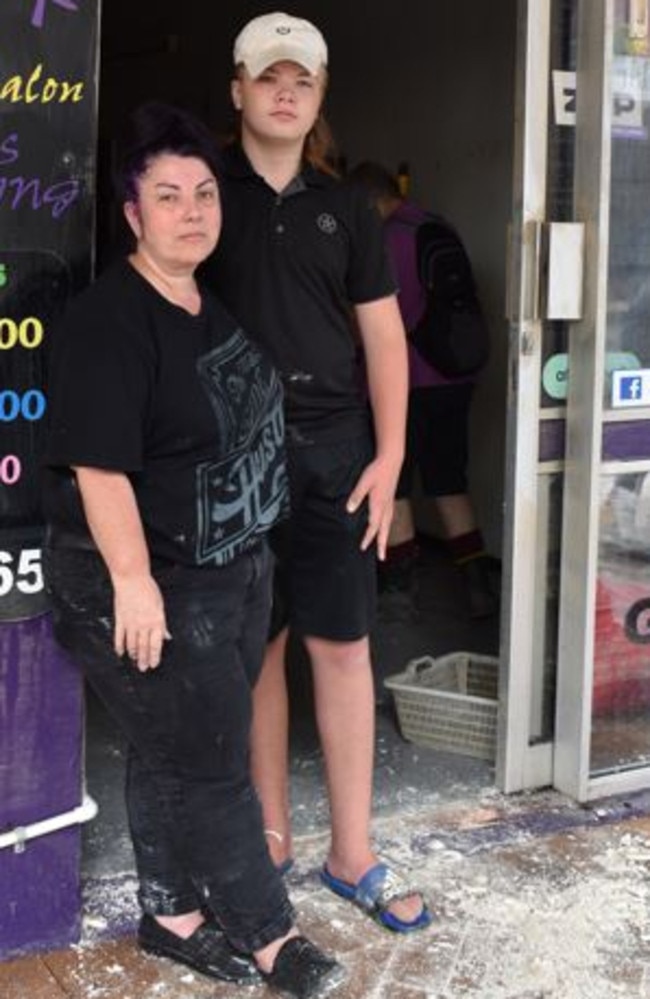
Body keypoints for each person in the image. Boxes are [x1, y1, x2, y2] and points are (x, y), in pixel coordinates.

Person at [41, 101, 345, 999]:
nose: (192, 210)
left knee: (169, 747)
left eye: (204, 192)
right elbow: (98, 468)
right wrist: (134, 586)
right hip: (146, 580)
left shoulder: (206, 303)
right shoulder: (111, 321)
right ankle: (270, 937)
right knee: (213, 762)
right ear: (132, 215)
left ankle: (171, 913)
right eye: (167, 195)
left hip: (228, 577)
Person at [202, 12, 431, 933]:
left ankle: (353, 852)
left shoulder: (344, 209)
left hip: (335, 452)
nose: (285, 92)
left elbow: (383, 334)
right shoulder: (203, 197)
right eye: (268, 78)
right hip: (229, 453)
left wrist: (391, 456)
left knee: (341, 646)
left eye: (302, 80)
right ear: (239, 90)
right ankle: (268, 838)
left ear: (319, 97)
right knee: (255, 646)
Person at [347, 161, 500, 620]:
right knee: (448, 477)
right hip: (455, 377)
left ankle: (398, 589)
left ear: (369, 202)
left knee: (394, 482)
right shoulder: (435, 226)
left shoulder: (390, 238)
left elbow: (381, 322)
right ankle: (476, 583)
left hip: (409, 379)